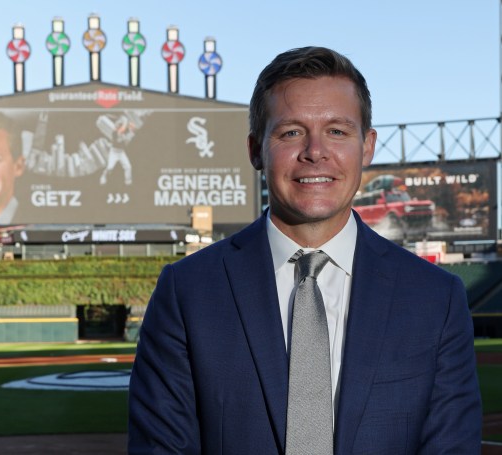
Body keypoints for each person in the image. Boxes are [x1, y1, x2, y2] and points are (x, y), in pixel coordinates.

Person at [128, 47, 481, 454]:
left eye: (337, 131)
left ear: (367, 146)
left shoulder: (435, 298)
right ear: (255, 149)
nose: (315, 151)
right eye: (291, 131)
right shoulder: (187, 292)